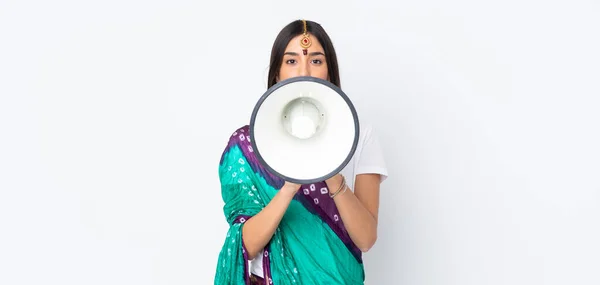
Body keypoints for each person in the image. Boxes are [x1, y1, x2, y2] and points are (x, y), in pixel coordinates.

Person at [214, 19, 388, 285]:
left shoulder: (360, 135)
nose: (304, 70)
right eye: (292, 61)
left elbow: (366, 239)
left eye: (316, 61)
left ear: (330, 71)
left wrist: (331, 170)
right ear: (277, 73)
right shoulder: (247, 144)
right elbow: (245, 244)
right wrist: (289, 186)